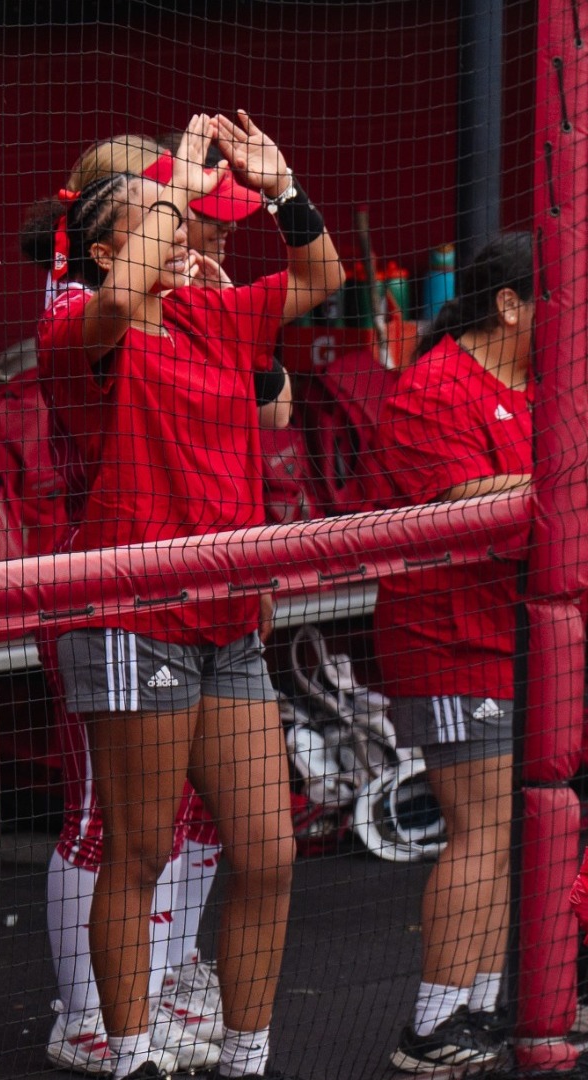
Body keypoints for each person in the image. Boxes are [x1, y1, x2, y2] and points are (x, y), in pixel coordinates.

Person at [30, 113, 344, 1080]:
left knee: (267, 850)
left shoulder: (216, 316)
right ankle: (130, 1058)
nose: (200, 231)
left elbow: (323, 279)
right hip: (134, 619)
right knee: (137, 851)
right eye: (171, 219)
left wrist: (282, 187)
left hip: (223, 618)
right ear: (106, 243)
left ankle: (246, 1057)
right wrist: (185, 180)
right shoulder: (76, 328)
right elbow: (123, 291)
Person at [370, 233, 531, 1074]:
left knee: (509, 837)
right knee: (479, 831)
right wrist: (567, 475)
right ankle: (430, 1025)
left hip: (518, 638)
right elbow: (467, 496)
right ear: (509, 302)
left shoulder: (541, 384)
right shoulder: (435, 384)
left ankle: (479, 1005)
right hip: (446, 641)